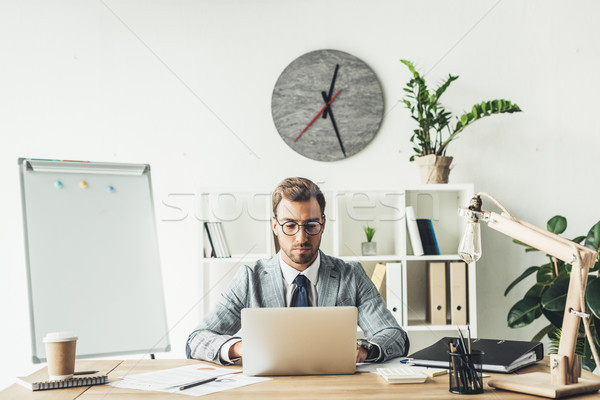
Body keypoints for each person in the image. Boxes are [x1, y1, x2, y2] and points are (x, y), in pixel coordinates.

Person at [186, 177, 409, 364]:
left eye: (311, 225)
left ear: (323, 224)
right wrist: (239, 348)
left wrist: (365, 350)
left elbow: (395, 337)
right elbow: (196, 340)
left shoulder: (350, 275)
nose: (301, 238)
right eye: (290, 225)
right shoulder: (249, 278)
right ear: (275, 226)